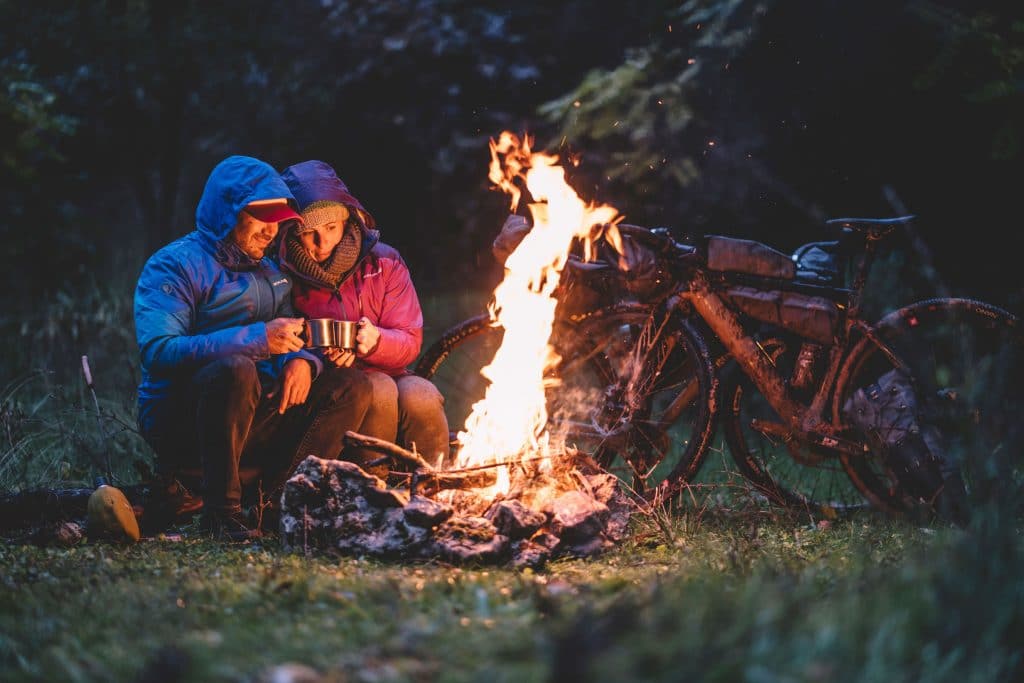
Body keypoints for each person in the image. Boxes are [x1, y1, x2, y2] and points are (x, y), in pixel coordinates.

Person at [134, 155, 373, 540]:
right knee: (236, 369)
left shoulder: (270, 274)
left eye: (278, 219)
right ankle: (222, 513)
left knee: (351, 385)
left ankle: (278, 505)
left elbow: (291, 331)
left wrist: (302, 362)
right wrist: (257, 341)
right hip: (183, 420)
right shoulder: (173, 266)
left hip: (254, 410)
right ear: (228, 213)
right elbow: (159, 351)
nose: (271, 230)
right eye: (260, 217)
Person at [277, 160, 449, 474]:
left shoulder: (384, 262)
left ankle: (435, 489)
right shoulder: (283, 276)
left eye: (331, 227)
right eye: (309, 233)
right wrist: (318, 356)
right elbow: (278, 334)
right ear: (293, 232)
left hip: (392, 369)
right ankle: (374, 492)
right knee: (378, 387)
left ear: (348, 218)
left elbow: (410, 339)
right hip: (332, 386)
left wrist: (376, 341)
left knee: (421, 395)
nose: (323, 242)